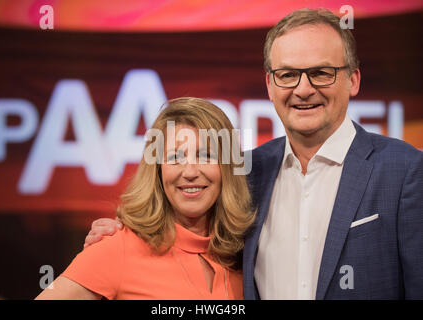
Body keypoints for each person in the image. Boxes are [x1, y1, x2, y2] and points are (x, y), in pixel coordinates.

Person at [85, 8, 423, 299]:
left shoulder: (406, 171)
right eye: (287, 75)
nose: (303, 90)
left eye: (321, 73)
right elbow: (182, 234)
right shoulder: (244, 172)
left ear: (353, 80)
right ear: (270, 86)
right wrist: (121, 237)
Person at [36, 97, 255, 300]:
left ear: (227, 167)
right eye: (175, 157)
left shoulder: (246, 255)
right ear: (157, 169)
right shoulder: (117, 247)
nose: (190, 172)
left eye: (206, 155)